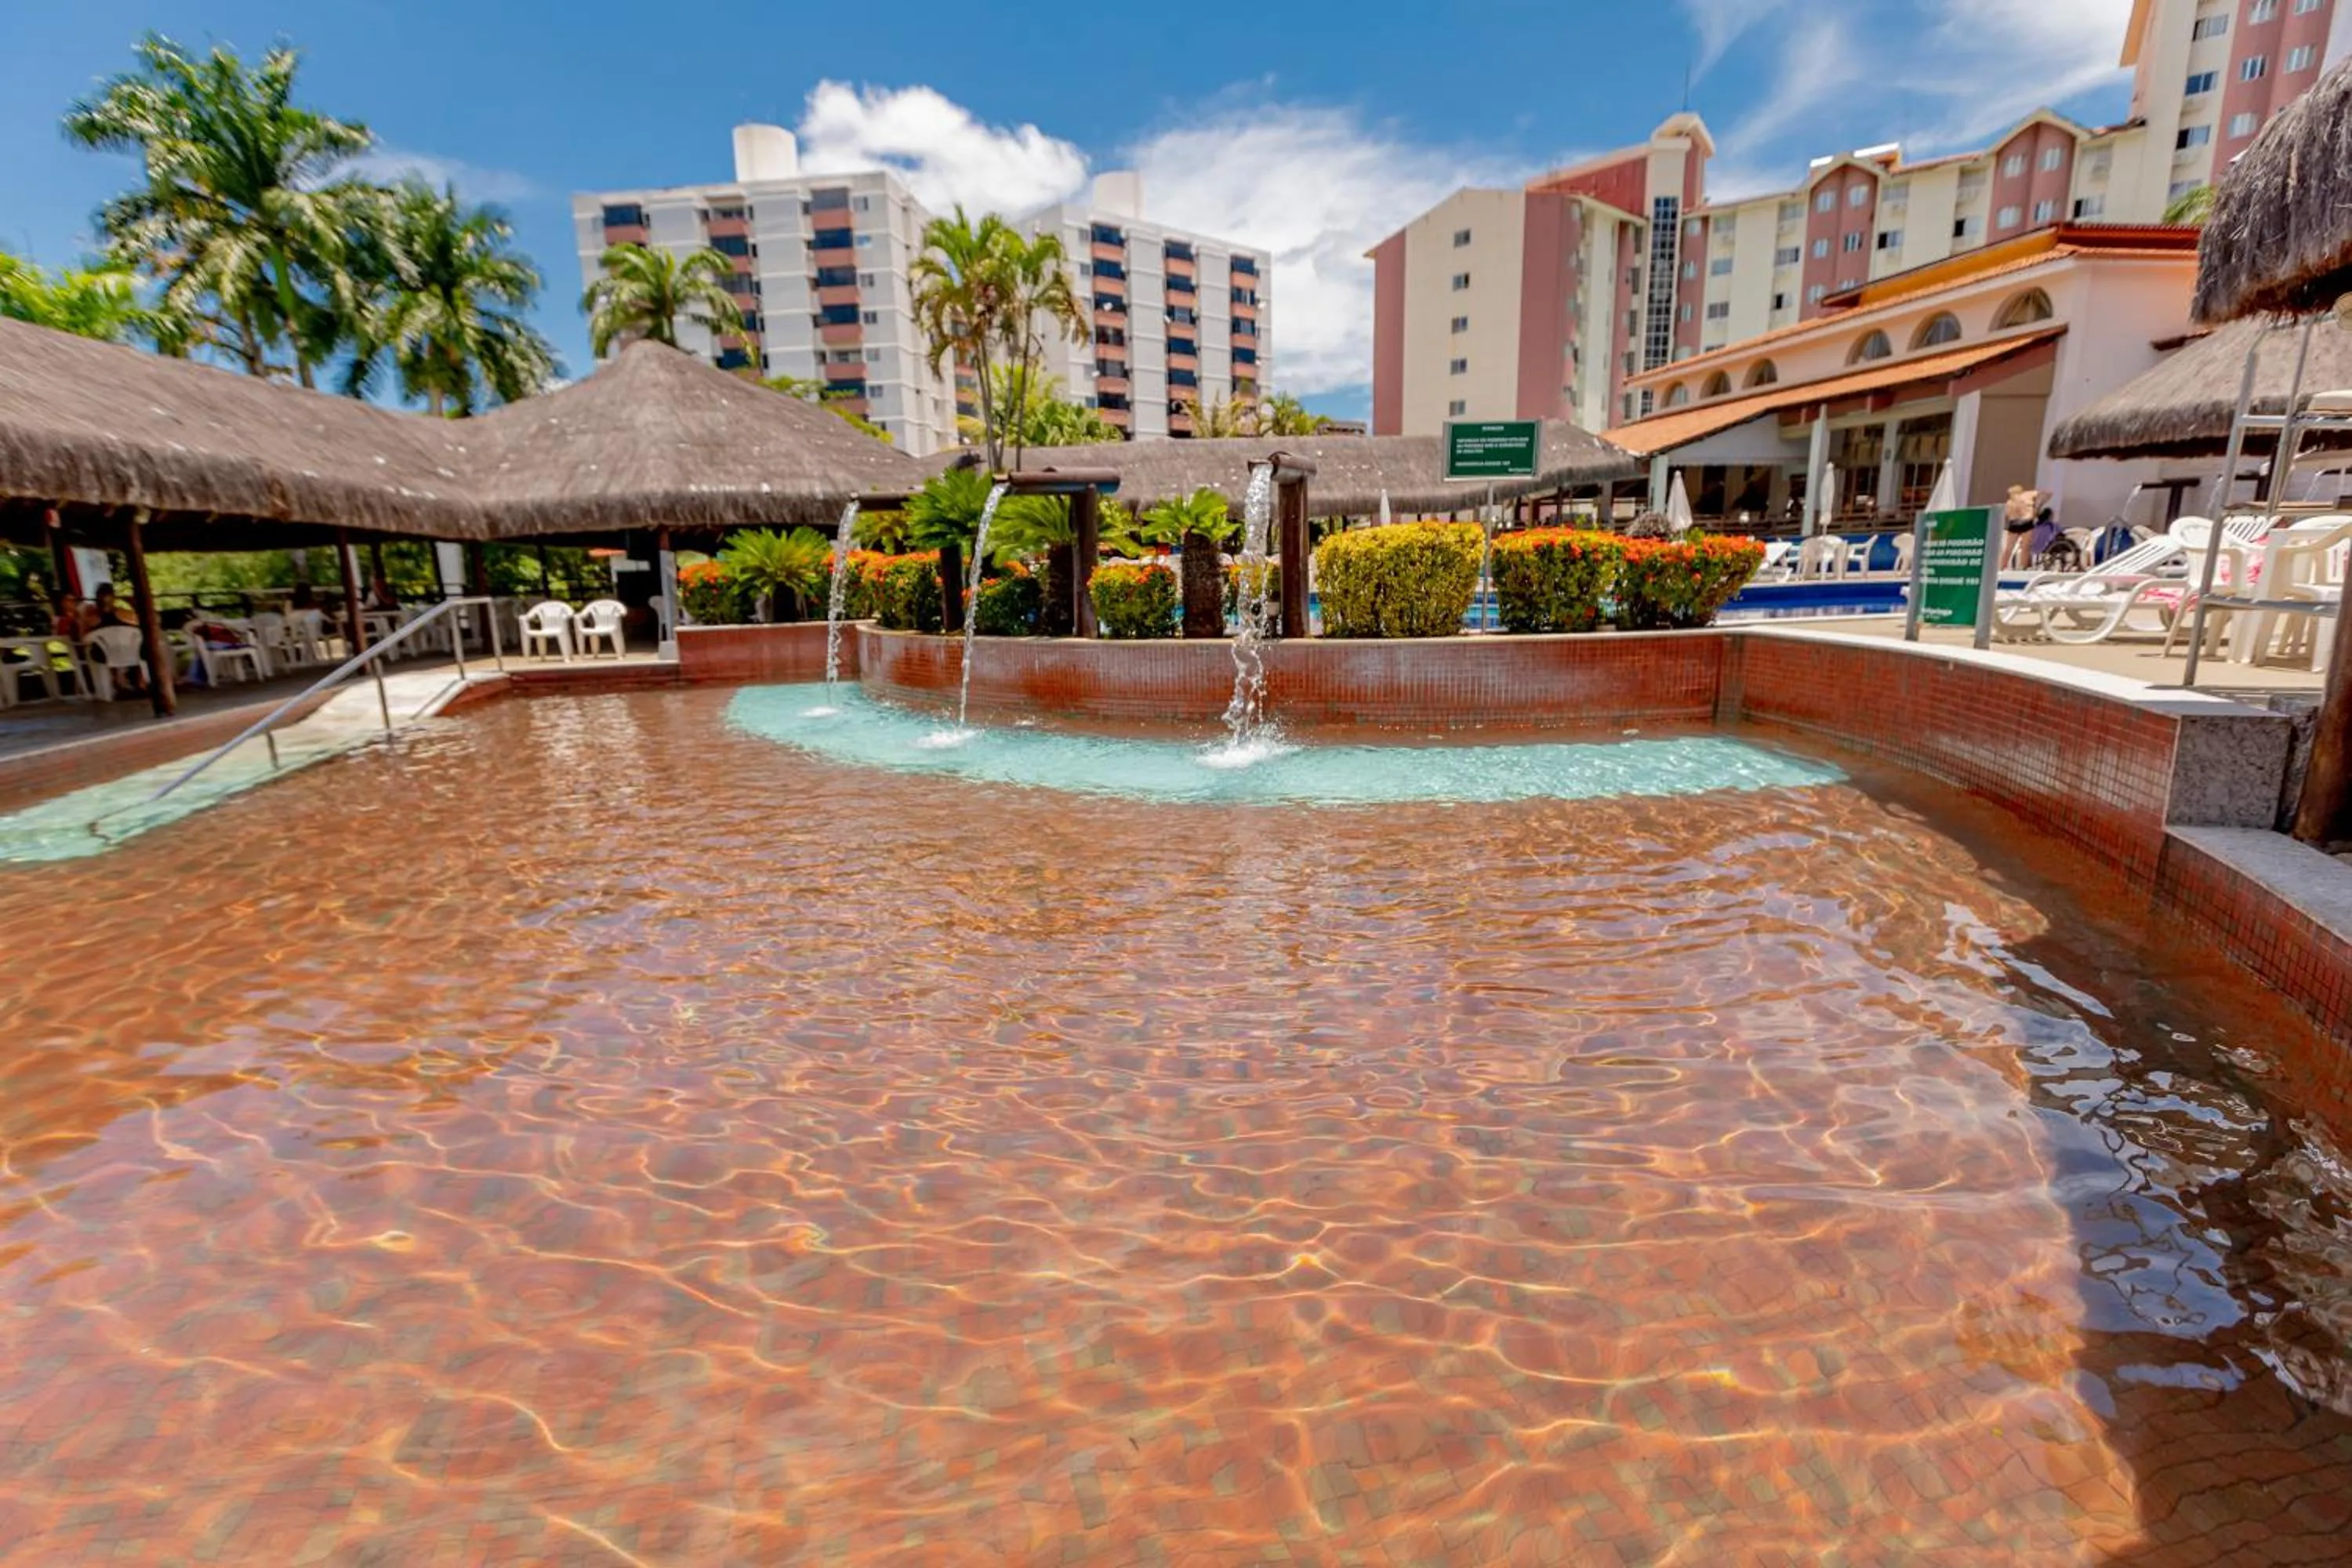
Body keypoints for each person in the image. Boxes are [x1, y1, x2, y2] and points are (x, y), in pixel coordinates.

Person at [2001, 484, 2040, 570]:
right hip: (2022, 524)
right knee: (2023, 547)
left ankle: (2004, 566)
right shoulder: (2012, 503)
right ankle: (2020, 567)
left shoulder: (2011, 503)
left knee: (2016, 548)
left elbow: (2008, 516)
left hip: (2018, 524)